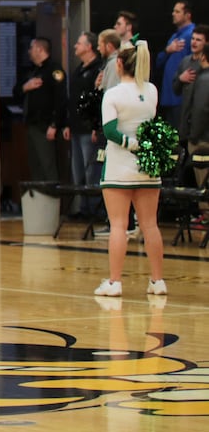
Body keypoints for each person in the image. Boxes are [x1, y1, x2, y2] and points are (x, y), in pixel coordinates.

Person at [94, 40, 166, 297]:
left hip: (120, 167)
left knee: (118, 225)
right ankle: (158, 281)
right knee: (150, 225)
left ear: (119, 63)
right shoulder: (152, 91)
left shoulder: (112, 94)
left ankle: (115, 282)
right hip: (148, 166)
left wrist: (130, 143)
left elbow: (110, 130)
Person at [13, 37, 67, 185]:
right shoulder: (32, 71)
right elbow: (15, 91)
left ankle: (52, 202)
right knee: (35, 165)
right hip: (31, 123)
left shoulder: (54, 70)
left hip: (45, 125)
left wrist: (55, 124)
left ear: (40, 49)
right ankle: (39, 202)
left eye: (31, 48)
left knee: (47, 165)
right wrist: (26, 87)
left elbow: (61, 99)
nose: (29, 52)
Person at [65, 32, 105, 219]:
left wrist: (96, 126)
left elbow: (97, 100)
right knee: (78, 171)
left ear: (89, 46)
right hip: (75, 127)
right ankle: (82, 208)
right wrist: (67, 123)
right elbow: (72, 100)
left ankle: (95, 209)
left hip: (89, 128)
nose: (75, 46)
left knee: (92, 171)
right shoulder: (79, 69)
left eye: (79, 43)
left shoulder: (98, 68)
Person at [177, 26, 209, 208]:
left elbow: (201, 110)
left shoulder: (204, 79)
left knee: (203, 183)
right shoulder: (186, 63)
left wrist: (194, 136)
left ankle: (205, 218)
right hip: (198, 134)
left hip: (202, 139)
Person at [154, 0, 195, 126]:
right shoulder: (174, 37)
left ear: (187, 15)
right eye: (173, 11)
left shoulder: (192, 35)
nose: (173, 14)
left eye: (177, 11)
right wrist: (168, 50)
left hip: (181, 97)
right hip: (169, 95)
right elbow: (158, 62)